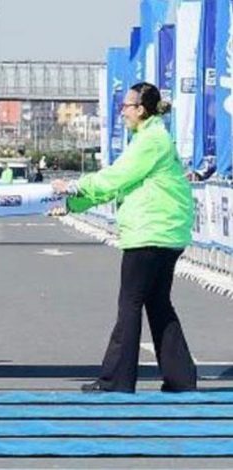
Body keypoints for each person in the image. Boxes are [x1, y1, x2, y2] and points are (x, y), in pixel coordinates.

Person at [51, 82, 196, 393]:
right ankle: (181, 378)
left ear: (141, 109)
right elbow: (121, 185)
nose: (123, 112)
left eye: (127, 106)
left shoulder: (150, 141)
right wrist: (74, 203)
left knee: (129, 305)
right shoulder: (153, 138)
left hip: (149, 232)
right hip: (166, 232)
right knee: (158, 304)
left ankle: (116, 379)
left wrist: (76, 187)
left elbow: (117, 176)